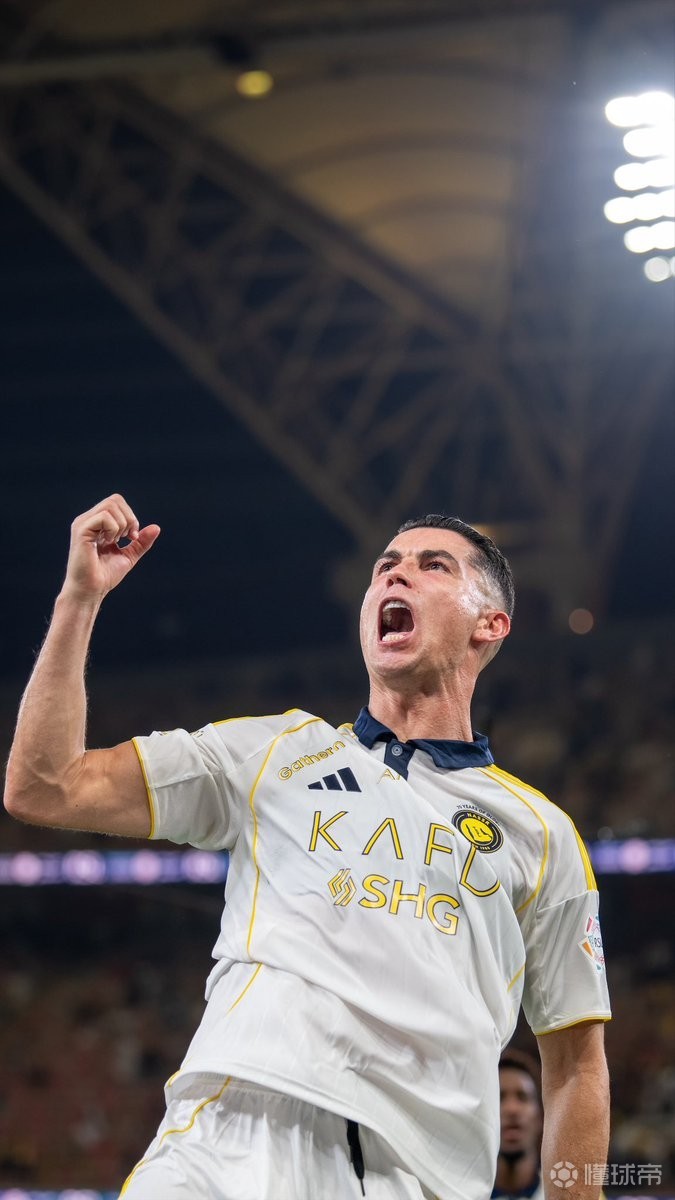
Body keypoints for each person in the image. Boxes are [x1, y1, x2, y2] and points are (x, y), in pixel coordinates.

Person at [4, 495, 611, 1200]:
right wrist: (78, 600)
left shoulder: (540, 833)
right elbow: (43, 787)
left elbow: (576, 1065)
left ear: (490, 623)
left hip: (409, 1175)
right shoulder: (269, 751)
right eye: (385, 566)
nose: (395, 575)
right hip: (224, 1138)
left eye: (432, 565)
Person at [492, 1050, 544, 1200]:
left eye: (522, 1097)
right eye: (499, 1098)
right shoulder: (449, 1194)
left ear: (540, 1117)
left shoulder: (575, 1193)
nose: (512, 1109)